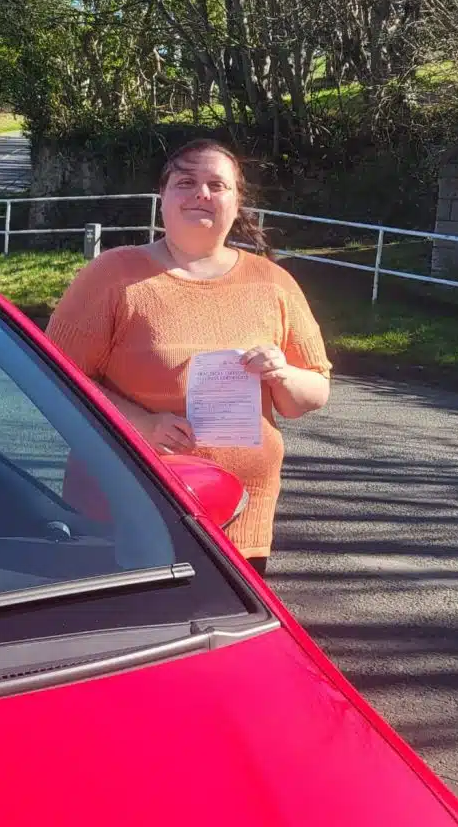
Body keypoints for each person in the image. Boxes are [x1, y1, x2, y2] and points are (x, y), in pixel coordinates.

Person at [46, 139, 331, 575]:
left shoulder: (274, 283)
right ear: (162, 196)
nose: (201, 193)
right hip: (129, 513)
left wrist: (282, 374)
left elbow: (311, 394)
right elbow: (54, 380)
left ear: (237, 201)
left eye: (217, 185)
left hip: (242, 521)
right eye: (185, 182)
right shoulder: (112, 275)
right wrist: (142, 426)